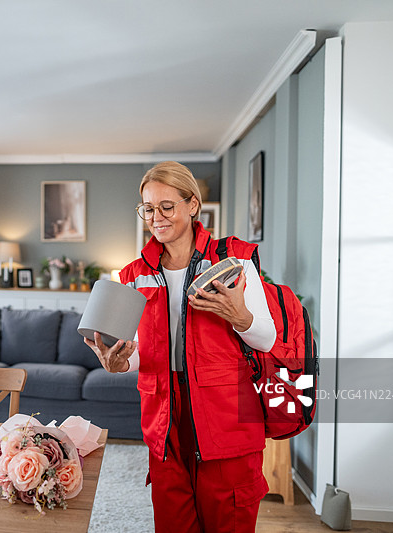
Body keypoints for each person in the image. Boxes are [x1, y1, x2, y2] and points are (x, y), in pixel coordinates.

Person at [84, 161, 276, 533]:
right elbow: (142, 352)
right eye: (148, 209)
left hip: (227, 424)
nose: (156, 218)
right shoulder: (135, 273)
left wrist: (239, 315)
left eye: (166, 206)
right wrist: (119, 363)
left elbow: (265, 338)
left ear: (192, 205)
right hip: (165, 425)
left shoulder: (232, 260)